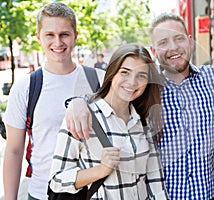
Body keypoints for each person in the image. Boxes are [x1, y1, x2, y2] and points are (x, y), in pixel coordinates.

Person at [64, 14, 214, 200]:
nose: (173, 47)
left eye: (178, 38)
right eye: (164, 43)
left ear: (189, 40)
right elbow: (110, 93)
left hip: (208, 196)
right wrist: (77, 102)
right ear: (155, 51)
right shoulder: (144, 86)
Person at [2, 2, 104, 199]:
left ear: (75, 36)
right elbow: (14, 151)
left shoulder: (99, 80)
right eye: (50, 35)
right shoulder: (26, 87)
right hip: (43, 193)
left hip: (93, 192)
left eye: (64, 34)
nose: (58, 42)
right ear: (39, 37)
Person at [49, 43, 169, 199]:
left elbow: (155, 182)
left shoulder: (143, 122)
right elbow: (57, 180)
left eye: (141, 75)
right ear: (112, 73)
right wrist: (101, 170)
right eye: (125, 72)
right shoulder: (83, 117)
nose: (132, 82)